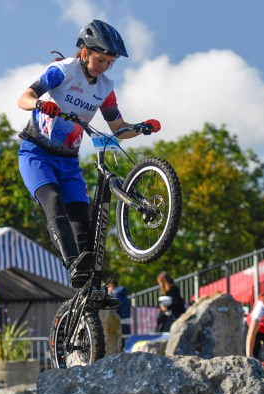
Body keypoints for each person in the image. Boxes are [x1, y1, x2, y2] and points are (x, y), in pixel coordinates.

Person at [17, 19, 161, 291]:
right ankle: (73, 267)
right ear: (84, 52)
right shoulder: (63, 71)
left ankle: (90, 291)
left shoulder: (105, 88)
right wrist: (40, 104)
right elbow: (23, 97)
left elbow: (117, 128)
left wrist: (140, 128)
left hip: (68, 162)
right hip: (36, 152)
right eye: (100, 60)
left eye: (109, 62)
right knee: (53, 200)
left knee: (84, 223)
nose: (104, 66)